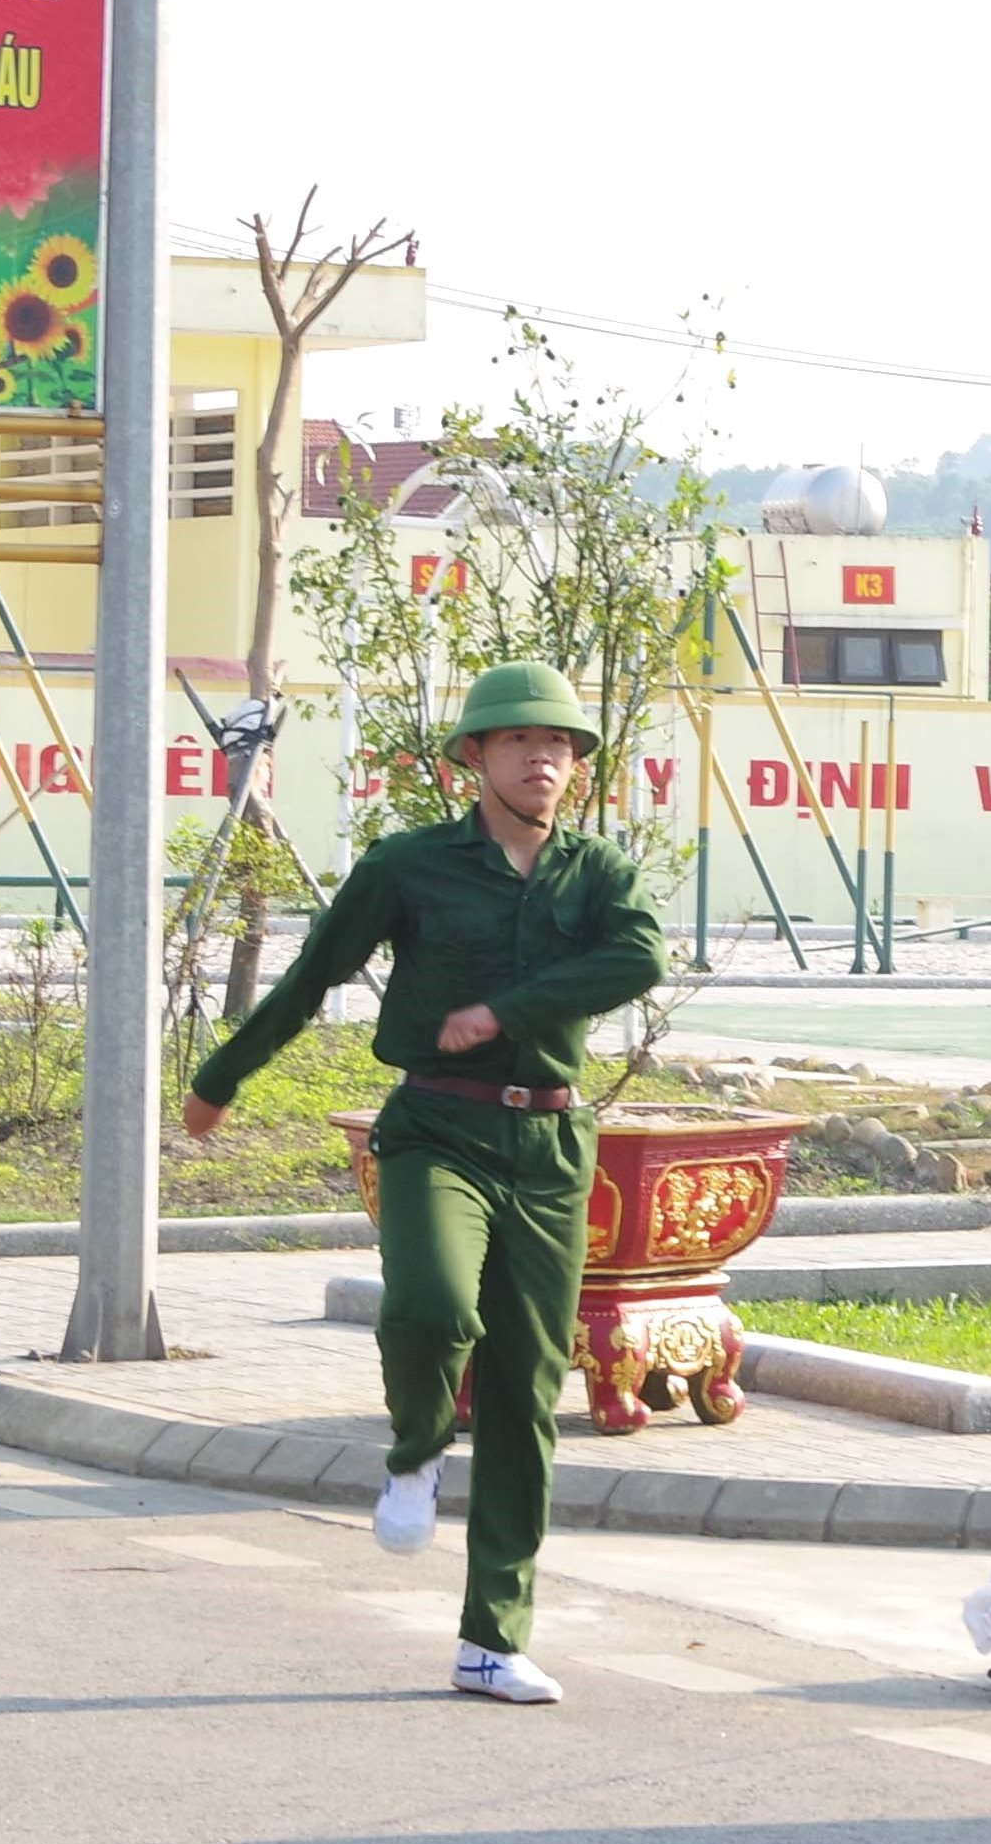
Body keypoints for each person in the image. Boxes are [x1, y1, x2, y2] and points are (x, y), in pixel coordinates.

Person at [179, 663, 666, 1705]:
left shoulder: (597, 871)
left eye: (563, 744)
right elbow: (311, 975)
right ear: (475, 758)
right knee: (431, 1307)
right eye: (521, 741)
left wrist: (505, 1011)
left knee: (530, 1390)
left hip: (549, 1145)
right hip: (435, 1126)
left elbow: (635, 960)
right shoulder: (409, 865)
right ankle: (413, 1447)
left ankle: (494, 1634)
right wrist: (222, 1076)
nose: (546, 758)